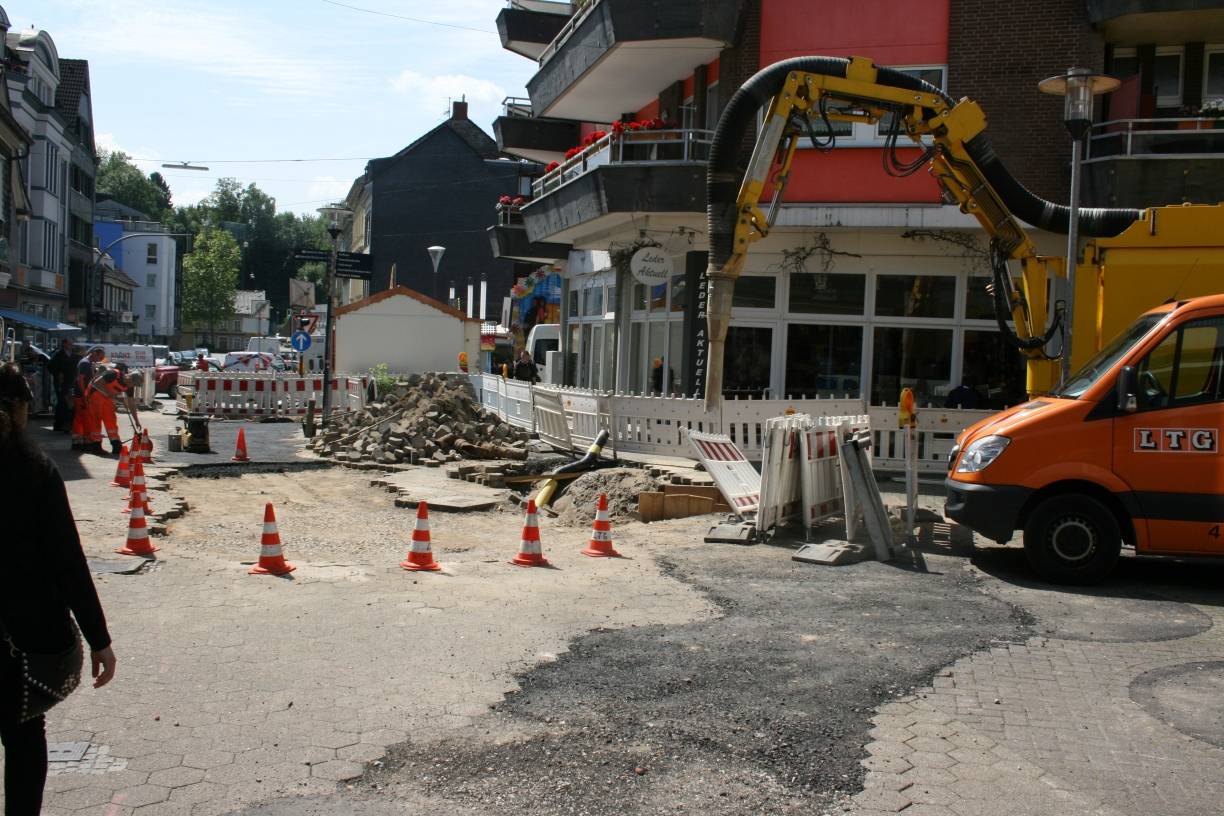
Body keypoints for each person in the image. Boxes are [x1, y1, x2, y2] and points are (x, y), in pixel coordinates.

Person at [0, 362, 117, 816]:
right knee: (25, 738)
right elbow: (68, 562)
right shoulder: (34, 471)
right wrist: (99, 639)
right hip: (23, 639)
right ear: (20, 411)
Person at [84, 364, 142, 456]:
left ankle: (116, 445)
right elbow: (96, 383)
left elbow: (131, 403)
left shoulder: (129, 386)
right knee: (95, 421)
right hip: (94, 395)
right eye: (133, 384)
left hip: (106, 398)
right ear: (129, 378)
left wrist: (136, 421)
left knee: (111, 419)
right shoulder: (113, 374)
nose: (132, 386)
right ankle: (96, 446)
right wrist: (111, 395)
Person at [70, 347, 105, 451]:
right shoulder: (85, 363)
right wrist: (85, 394)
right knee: (86, 419)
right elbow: (81, 380)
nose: (100, 360)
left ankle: (77, 443)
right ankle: (87, 443)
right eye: (100, 357)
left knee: (79, 419)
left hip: (79, 395)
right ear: (94, 353)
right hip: (81, 396)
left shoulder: (85, 362)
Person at [47, 338, 77, 433]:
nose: (71, 345)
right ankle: (60, 424)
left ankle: (65, 424)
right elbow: (50, 366)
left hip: (70, 382)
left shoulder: (73, 354)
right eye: (69, 344)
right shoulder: (59, 355)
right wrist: (58, 374)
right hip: (61, 382)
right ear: (64, 344)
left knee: (67, 404)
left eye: (72, 344)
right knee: (62, 403)